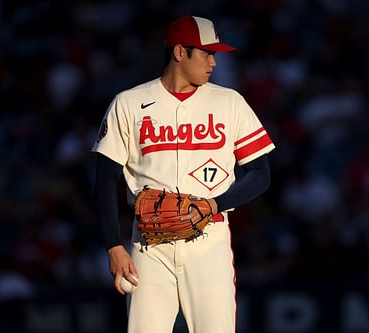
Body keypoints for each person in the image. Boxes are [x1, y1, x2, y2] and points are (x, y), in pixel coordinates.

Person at [91, 15, 275, 333]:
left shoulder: (229, 102)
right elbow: (105, 179)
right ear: (179, 52)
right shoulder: (129, 104)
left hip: (209, 238)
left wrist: (215, 204)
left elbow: (260, 174)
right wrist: (114, 245)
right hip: (148, 245)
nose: (214, 62)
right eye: (206, 53)